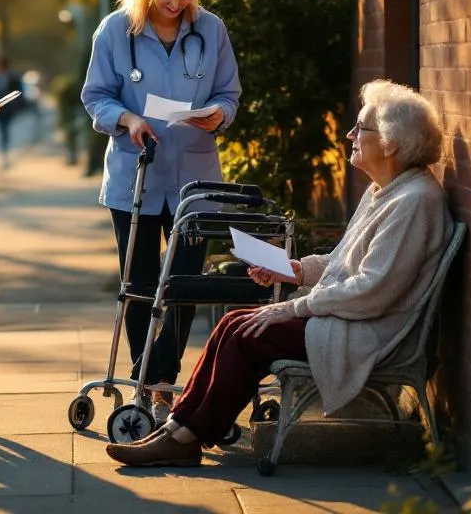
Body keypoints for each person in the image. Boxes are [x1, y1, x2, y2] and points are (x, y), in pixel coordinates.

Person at [105, 79, 452, 467]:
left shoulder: (414, 202)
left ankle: (184, 437)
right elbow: (343, 262)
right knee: (233, 324)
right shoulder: (386, 191)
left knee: (245, 335)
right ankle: (176, 430)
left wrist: (292, 308)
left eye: (361, 129)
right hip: (343, 317)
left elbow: (372, 291)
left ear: (390, 143)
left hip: (366, 332)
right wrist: (293, 270)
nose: (350, 135)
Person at [81, 0, 243, 423]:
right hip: (136, 177)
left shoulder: (210, 29)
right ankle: (150, 382)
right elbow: (95, 99)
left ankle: (160, 380)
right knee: (141, 284)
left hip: (195, 179)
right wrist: (126, 118)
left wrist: (219, 114)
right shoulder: (114, 31)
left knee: (186, 283)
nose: (177, 4)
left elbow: (229, 94)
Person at [0, 56, 25, 167]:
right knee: (3, 131)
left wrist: (17, 106)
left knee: (5, 130)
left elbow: (19, 93)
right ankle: (4, 154)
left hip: (9, 109)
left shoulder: (13, 77)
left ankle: (6, 153)